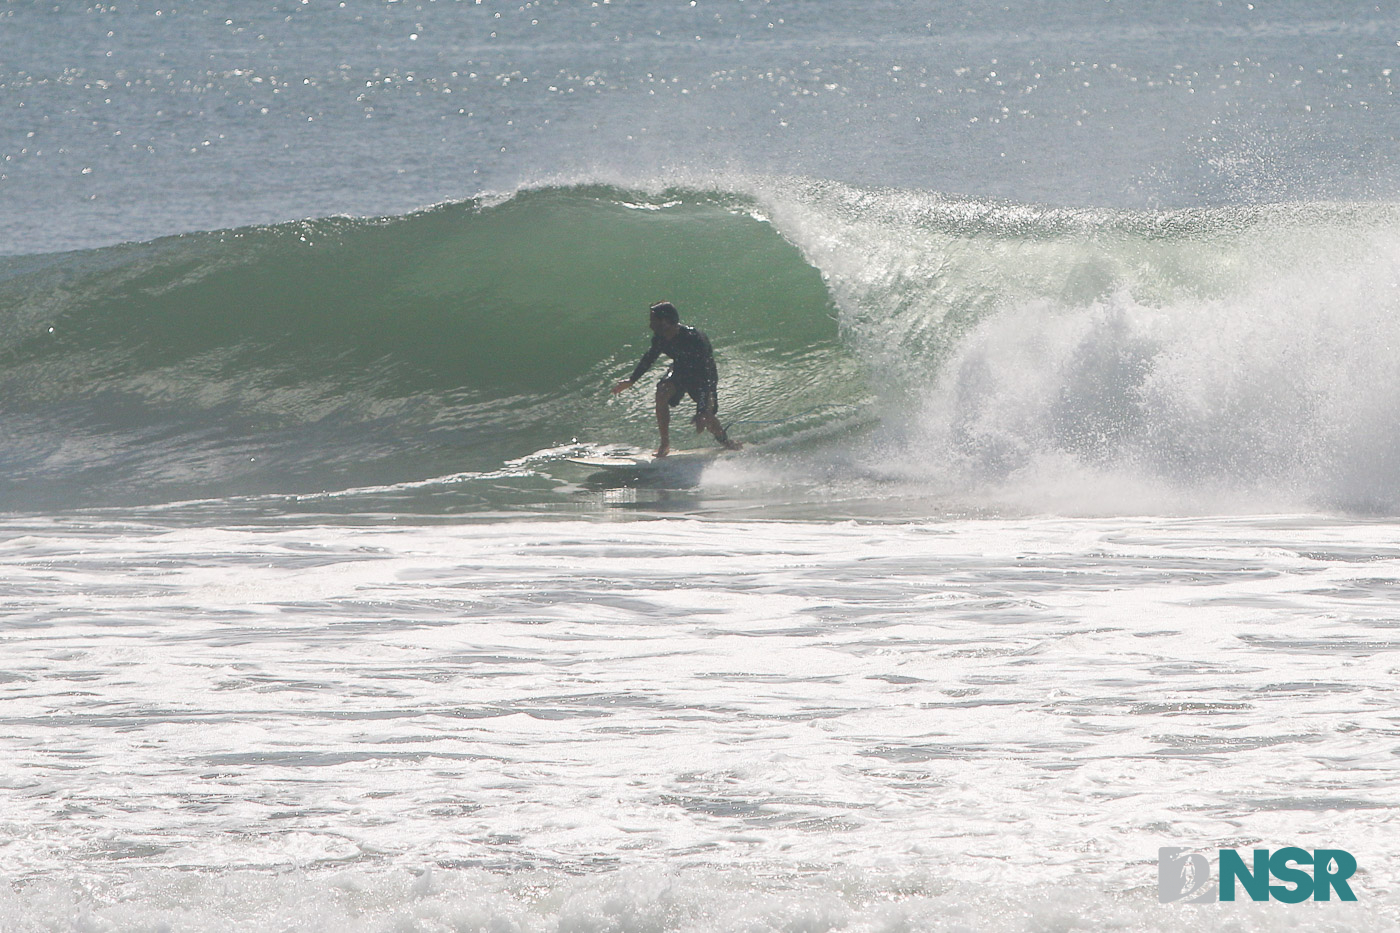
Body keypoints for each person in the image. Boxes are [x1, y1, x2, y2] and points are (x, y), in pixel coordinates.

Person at [611, 301, 742, 458]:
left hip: (703, 377)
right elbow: (649, 358)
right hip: (680, 371)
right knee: (662, 392)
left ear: (665, 321)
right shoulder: (660, 338)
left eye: (653, 320)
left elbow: (706, 375)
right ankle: (665, 444)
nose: (650, 324)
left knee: (706, 416)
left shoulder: (695, 338)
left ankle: (725, 442)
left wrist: (701, 410)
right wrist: (631, 380)